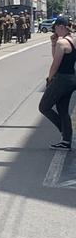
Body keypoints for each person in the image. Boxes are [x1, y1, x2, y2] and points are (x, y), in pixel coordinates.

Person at [39, 16, 76, 150]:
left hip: (62, 79)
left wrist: (49, 80)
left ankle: (65, 131)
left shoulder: (62, 43)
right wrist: (53, 43)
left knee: (44, 107)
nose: (54, 30)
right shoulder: (72, 40)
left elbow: (55, 64)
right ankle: (66, 141)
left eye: (55, 28)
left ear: (61, 27)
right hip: (72, 78)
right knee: (62, 110)